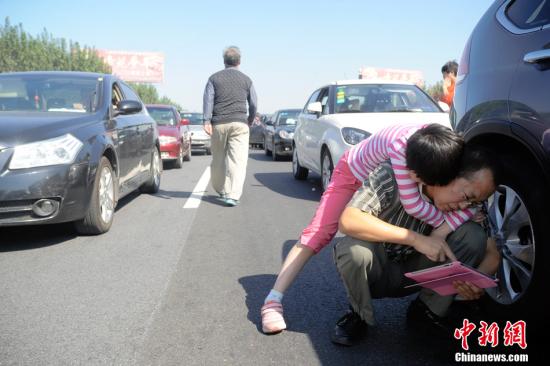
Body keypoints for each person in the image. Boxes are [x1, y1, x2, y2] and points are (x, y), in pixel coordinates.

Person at [261, 123, 477, 334]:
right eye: (419, 177)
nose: (415, 180)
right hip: (352, 173)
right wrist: (442, 226)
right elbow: (412, 205)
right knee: (319, 232)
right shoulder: (403, 155)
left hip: (382, 173)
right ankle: (273, 299)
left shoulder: (438, 146)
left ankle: (425, 307)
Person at [331, 145, 501, 346]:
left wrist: (474, 282)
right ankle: (359, 314)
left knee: (473, 235)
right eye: (466, 197)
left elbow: (492, 253)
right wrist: (416, 239)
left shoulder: (469, 204)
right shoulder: (393, 174)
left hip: (418, 273)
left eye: (474, 202)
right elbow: (349, 220)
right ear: (449, 173)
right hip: (376, 270)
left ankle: (427, 311)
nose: (465, 206)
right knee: (354, 251)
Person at [203, 46, 257, 207]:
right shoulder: (247, 80)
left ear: (224, 61)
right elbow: (253, 102)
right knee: (238, 161)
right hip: (240, 123)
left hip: (218, 123)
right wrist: (250, 119)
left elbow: (208, 100)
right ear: (239, 61)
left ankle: (222, 189)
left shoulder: (213, 78)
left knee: (218, 159)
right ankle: (233, 195)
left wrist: (206, 120)